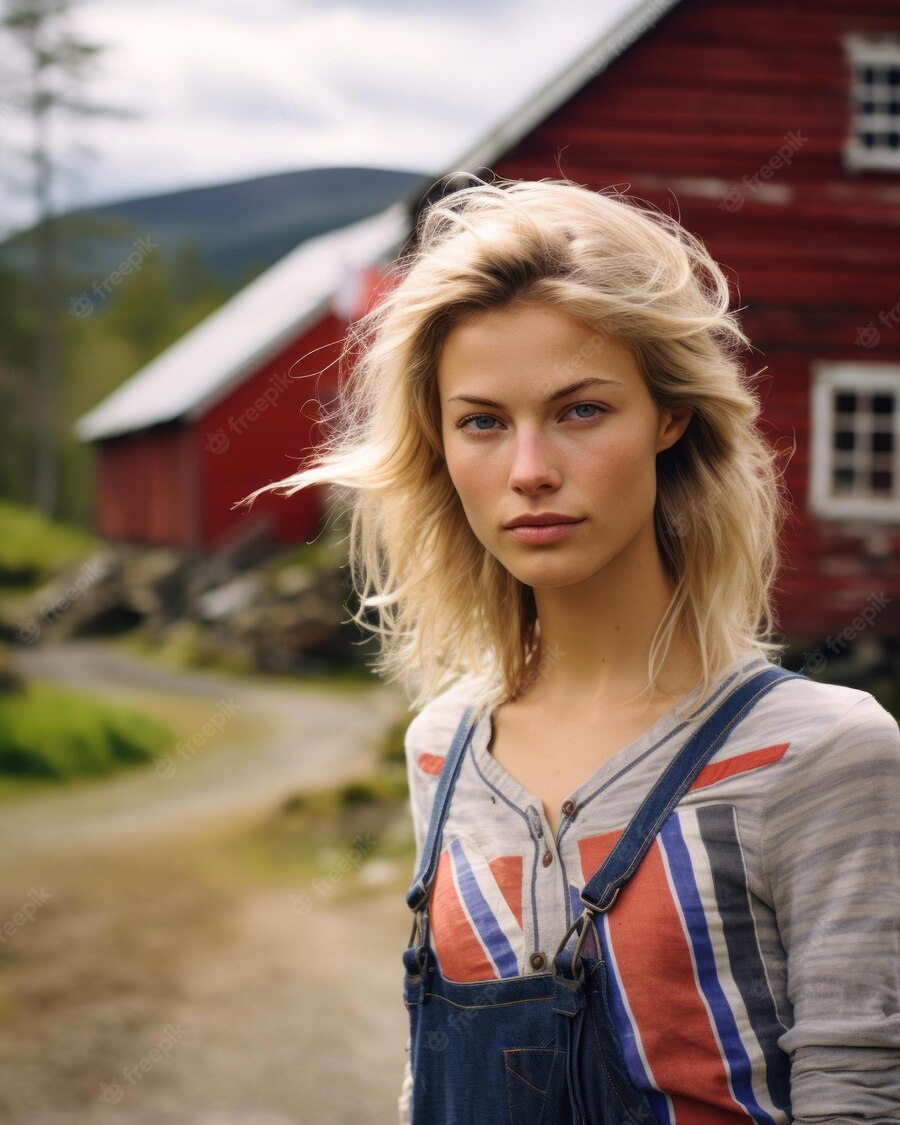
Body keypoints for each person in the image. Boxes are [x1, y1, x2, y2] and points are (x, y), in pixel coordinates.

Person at [238, 176, 900, 1123]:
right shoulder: (446, 745)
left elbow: (861, 1095)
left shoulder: (823, 756)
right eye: (483, 422)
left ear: (669, 416)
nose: (530, 470)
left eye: (582, 410)